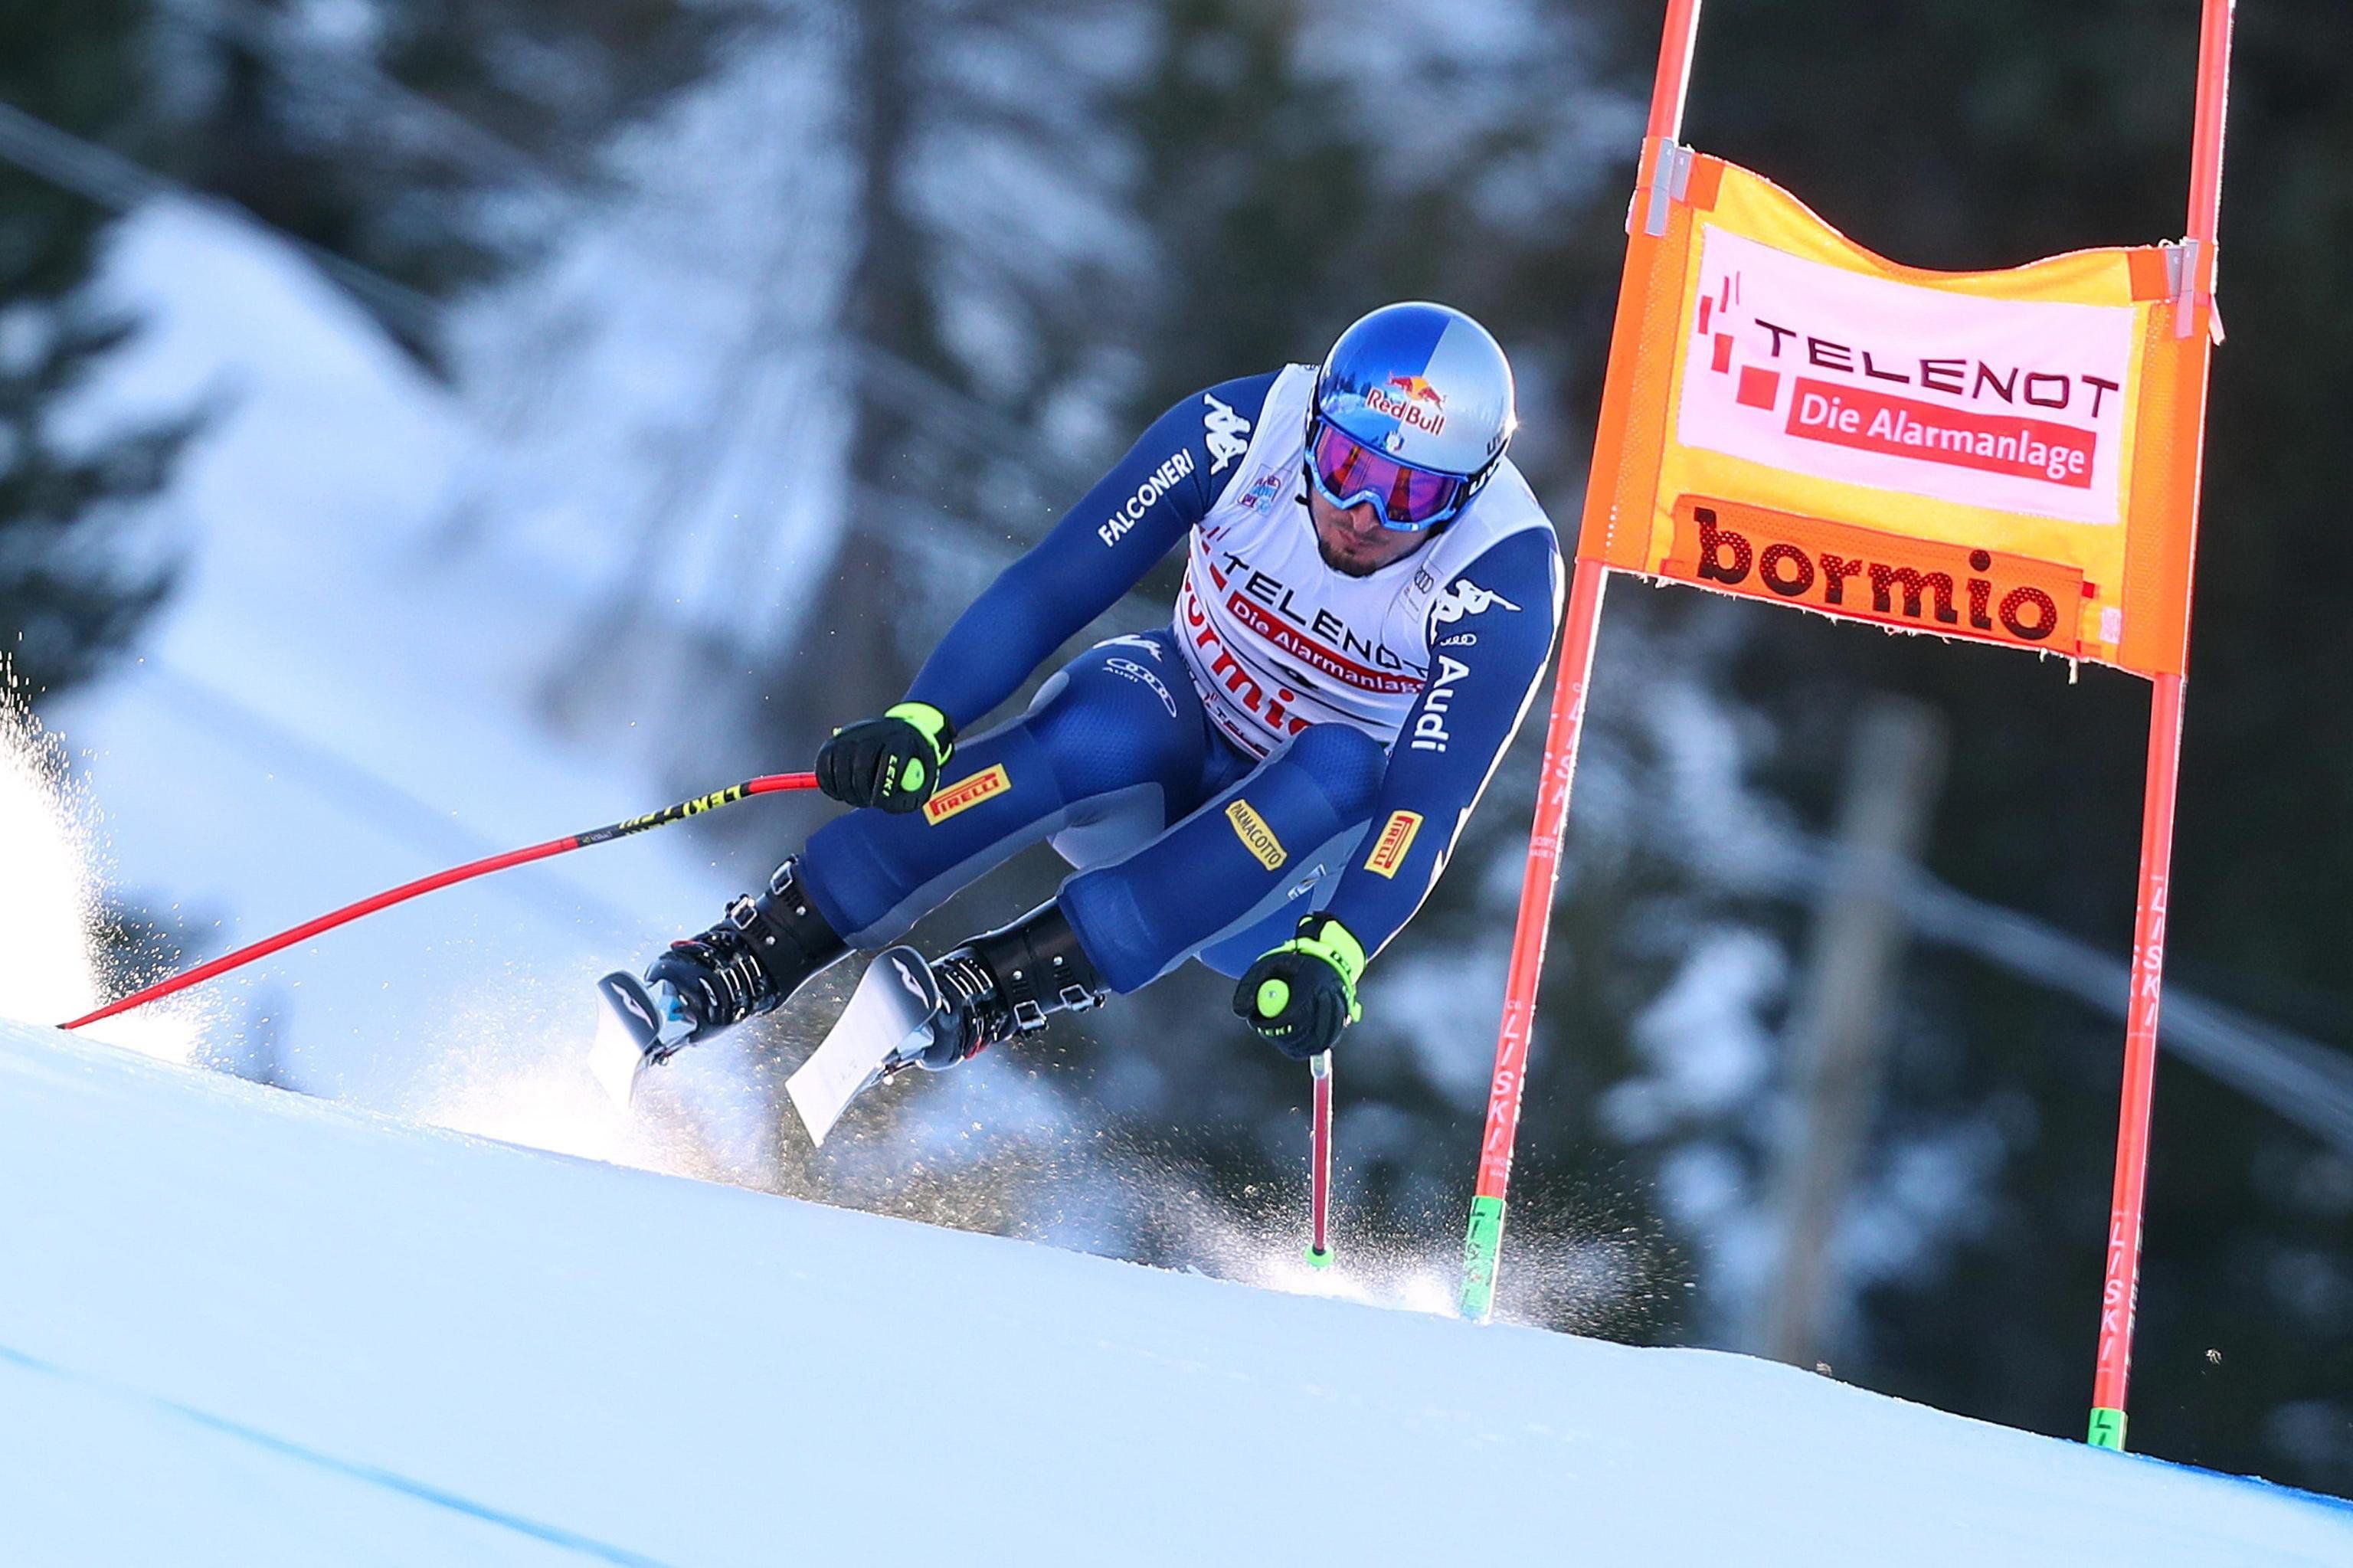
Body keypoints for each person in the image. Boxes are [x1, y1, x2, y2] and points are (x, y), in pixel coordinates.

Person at [629, 301, 1562, 1081]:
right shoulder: (1238, 434)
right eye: (1352, 469)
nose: (1363, 514)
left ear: (1466, 494)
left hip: (1289, 872)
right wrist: (924, 715)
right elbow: (1053, 585)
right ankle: (748, 956)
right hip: (1167, 741)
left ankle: (989, 992)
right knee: (1108, 718)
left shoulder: (1502, 577)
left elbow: (1426, 804)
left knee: (1344, 762)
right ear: (1316, 428)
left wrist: (1340, 945)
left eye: (1409, 496)